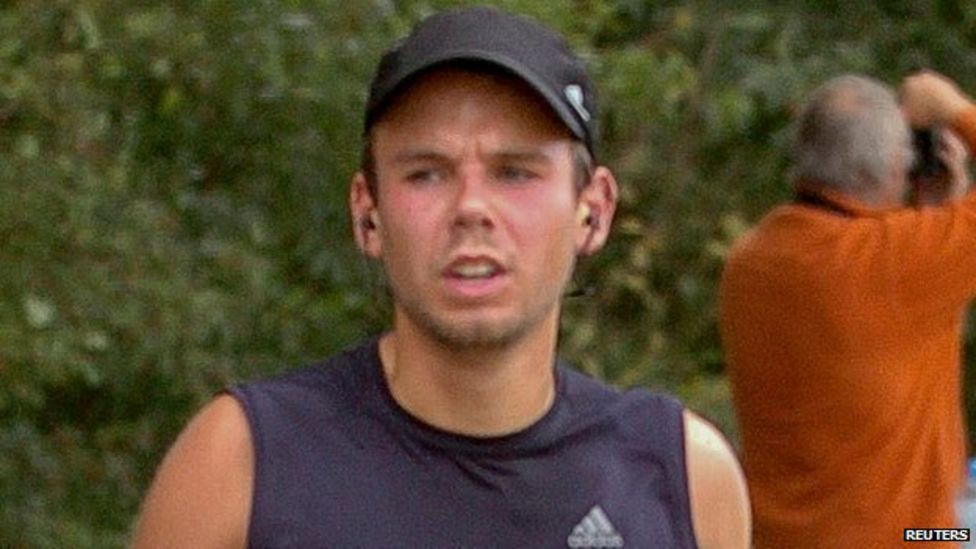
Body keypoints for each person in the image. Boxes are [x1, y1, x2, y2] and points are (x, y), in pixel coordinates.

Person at [132, 6, 750, 548]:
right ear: (366, 214)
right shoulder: (244, 464)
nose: (471, 208)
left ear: (594, 210)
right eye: (426, 173)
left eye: (515, 172)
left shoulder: (682, 477)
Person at [719, 71, 976, 548]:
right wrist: (954, 109)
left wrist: (930, 213)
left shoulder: (751, 260)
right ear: (893, 165)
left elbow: (888, 311)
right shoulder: (898, 264)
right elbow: (891, 273)